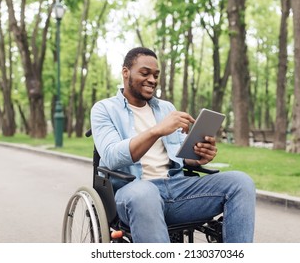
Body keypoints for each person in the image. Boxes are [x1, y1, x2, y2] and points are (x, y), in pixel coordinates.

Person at [90, 47, 255, 243]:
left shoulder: (166, 108)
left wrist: (196, 158)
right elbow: (111, 157)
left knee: (241, 182)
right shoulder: (104, 109)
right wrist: (157, 130)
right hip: (134, 190)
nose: (152, 79)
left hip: (177, 188)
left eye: (156, 75)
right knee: (145, 193)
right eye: (145, 73)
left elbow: (177, 156)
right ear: (126, 72)